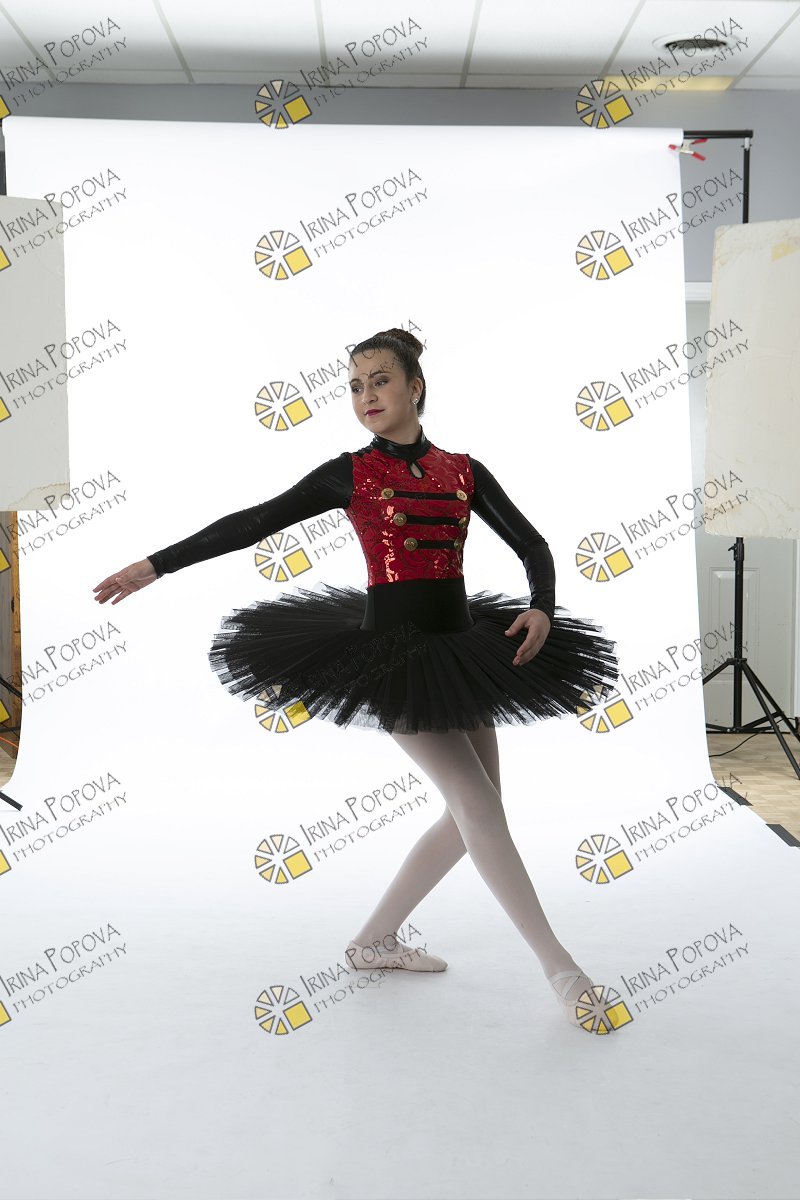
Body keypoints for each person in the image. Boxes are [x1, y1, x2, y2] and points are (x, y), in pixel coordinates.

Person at [94, 328, 620, 1032]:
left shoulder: (463, 470)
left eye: (379, 380)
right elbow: (254, 522)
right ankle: (562, 970)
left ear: (414, 387)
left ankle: (374, 942)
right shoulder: (350, 473)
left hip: (463, 652)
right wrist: (155, 565)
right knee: (477, 805)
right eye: (354, 386)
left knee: (474, 814)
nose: (365, 395)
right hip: (393, 661)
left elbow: (532, 543)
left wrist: (542, 605)